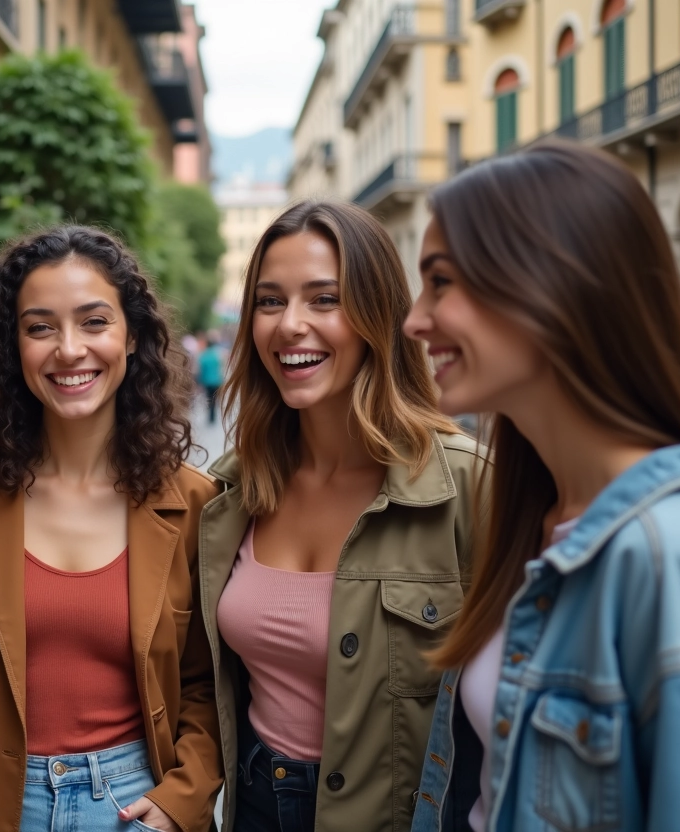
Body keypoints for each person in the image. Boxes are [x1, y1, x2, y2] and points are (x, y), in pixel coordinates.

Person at [404, 141, 680, 831]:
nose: (415, 318)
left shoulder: (671, 555)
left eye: (440, 282)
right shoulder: (531, 510)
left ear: (547, 285)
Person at [199, 200, 484, 831]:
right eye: (270, 302)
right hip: (252, 805)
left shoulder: (467, 486)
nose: (290, 325)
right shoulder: (230, 492)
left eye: (324, 299)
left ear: (377, 315)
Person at [0, 225, 222, 832]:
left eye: (95, 322)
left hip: (132, 805)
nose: (69, 349)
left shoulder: (195, 503)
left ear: (132, 338)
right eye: (40, 327)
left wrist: (182, 800)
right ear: (11, 347)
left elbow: (210, 685)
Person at [197, 331, 225, 425]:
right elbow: (221, 367)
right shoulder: (217, 355)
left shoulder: (203, 356)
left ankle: (210, 415)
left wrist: (199, 381)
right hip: (217, 380)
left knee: (209, 397)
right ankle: (213, 416)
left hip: (207, 381)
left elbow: (201, 370)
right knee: (215, 398)